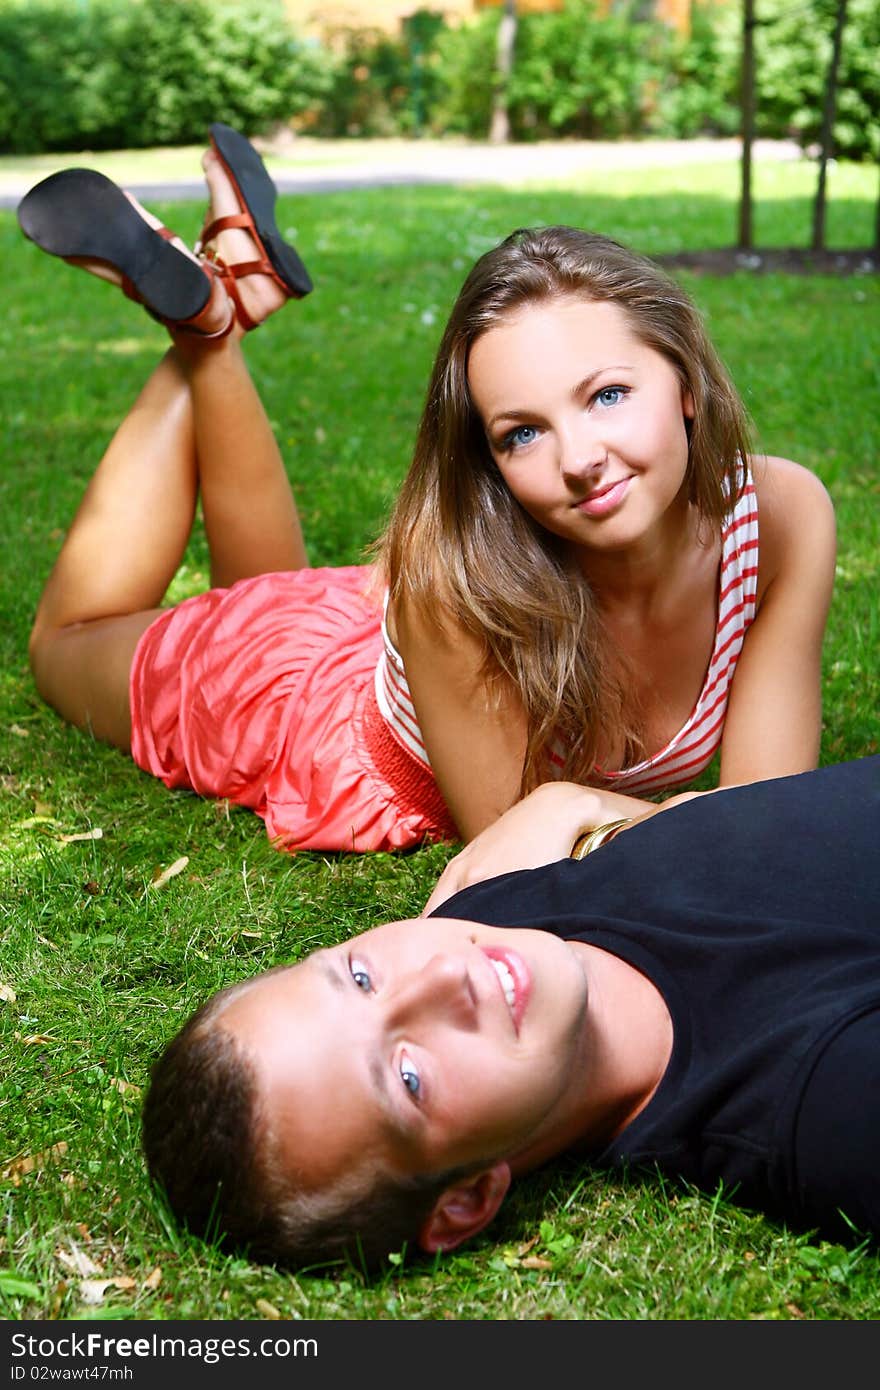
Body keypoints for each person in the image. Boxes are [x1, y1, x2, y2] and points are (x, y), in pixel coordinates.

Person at [19, 127, 837, 855]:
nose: (581, 459)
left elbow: (764, 817)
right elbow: (525, 847)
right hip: (318, 726)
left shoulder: (778, 521)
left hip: (379, 638)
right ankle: (208, 326)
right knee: (65, 643)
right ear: (487, 458)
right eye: (523, 432)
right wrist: (691, 816)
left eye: (607, 395)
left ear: (687, 383)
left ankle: (216, 310)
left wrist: (681, 818)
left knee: (267, 595)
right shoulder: (455, 587)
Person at [141, 756, 880, 1270]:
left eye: (359, 976)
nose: (442, 979)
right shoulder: (822, 1102)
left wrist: (577, 806)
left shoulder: (487, 908)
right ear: (466, 1200)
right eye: (408, 1078)